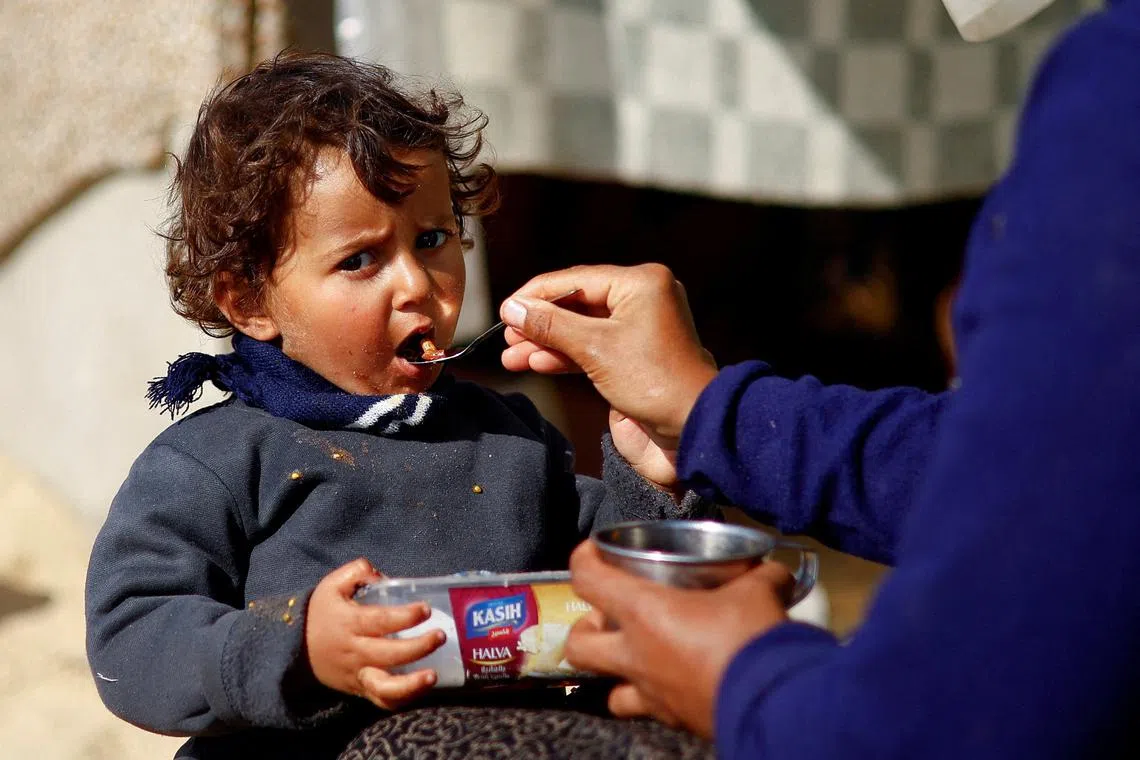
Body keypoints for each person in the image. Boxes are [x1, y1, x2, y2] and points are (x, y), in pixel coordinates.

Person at [494, 0, 1140, 756]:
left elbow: (962, 714)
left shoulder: (1117, 99)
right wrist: (711, 412)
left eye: (436, 238)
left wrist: (745, 681)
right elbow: (1045, 470)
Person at [84, 53, 714, 760]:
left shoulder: (510, 440)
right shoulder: (215, 462)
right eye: (360, 260)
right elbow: (132, 641)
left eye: (433, 239)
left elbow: (622, 591)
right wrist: (299, 647)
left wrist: (653, 471)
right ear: (250, 300)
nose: (417, 284)